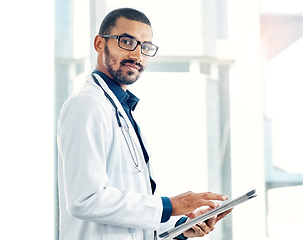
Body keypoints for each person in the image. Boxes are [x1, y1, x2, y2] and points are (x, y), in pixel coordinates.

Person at [57, 7, 232, 240]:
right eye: (127, 41)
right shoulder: (87, 105)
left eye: (145, 47)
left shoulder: (122, 109)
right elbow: (84, 200)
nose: (137, 56)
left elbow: (124, 215)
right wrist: (169, 206)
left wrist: (179, 227)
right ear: (100, 43)